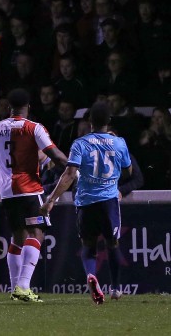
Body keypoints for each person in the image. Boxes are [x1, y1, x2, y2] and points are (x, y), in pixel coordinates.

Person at [41, 102, 133, 304]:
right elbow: (129, 172)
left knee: (88, 245)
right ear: (109, 122)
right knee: (112, 242)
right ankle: (116, 289)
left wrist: (51, 199)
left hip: (85, 202)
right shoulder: (119, 143)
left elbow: (69, 174)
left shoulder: (80, 144)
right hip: (108, 201)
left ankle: (91, 275)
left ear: (90, 121)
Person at [0, 88, 68, 303]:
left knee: (18, 237)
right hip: (29, 188)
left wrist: (3, 176)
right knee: (37, 234)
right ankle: (23, 286)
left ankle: (15, 289)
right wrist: (73, 167)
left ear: (9, 107)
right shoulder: (34, 128)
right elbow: (56, 156)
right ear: (28, 107)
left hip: (8, 192)